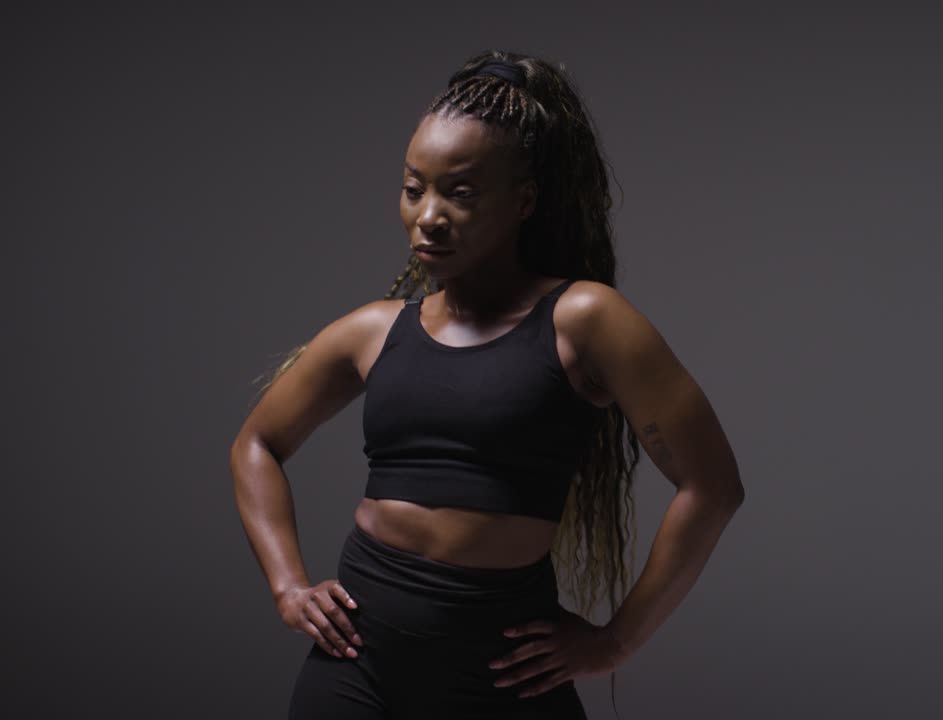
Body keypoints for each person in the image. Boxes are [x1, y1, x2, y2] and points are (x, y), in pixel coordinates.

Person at [230, 50, 744, 719]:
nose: (429, 216)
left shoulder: (583, 320)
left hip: (504, 678)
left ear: (524, 199)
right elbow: (256, 444)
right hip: (359, 665)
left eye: (461, 192)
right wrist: (288, 588)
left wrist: (615, 641)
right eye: (415, 189)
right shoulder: (373, 331)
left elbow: (713, 486)